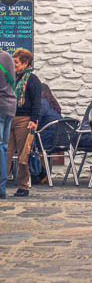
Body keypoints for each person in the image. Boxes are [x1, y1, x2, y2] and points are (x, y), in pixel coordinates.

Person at [7, 49, 42, 197]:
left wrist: (33, 120)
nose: (13, 65)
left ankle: (23, 186)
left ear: (25, 63)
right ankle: (2, 182)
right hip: (9, 117)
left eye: (16, 62)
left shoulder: (32, 80)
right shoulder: (11, 78)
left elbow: (37, 102)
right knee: (6, 152)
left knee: (23, 154)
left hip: (24, 119)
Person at [0, 48, 16, 200]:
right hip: (10, 106)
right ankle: (2, 188)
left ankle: (0, 187)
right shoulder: (7, 57)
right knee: (4, 147)